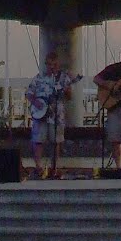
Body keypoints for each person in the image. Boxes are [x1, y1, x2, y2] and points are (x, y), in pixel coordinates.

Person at [24, 49, 78, 179]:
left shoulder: (63, 78)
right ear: (46, 64)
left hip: (56, 115)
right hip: (40, 114)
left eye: (54, 64)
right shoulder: (39, 77)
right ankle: (39, 167)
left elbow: (69, 97)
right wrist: (36, 102)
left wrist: (68, 90)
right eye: (49, 64)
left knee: (56, 142)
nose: (51, 67)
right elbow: (28, 93)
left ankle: (54, 168)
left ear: (57, 65)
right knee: (38, 141)